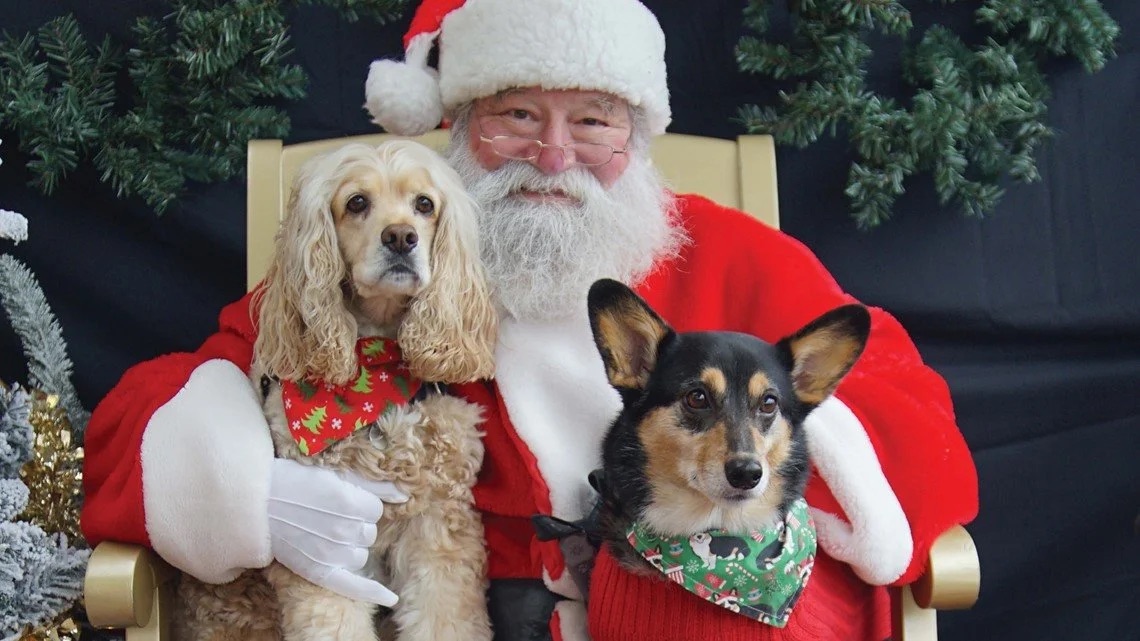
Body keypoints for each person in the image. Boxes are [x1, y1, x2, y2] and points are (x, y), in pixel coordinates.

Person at [80, 0, 979, 639]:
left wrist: (757, 488)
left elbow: (908, 409)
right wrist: (247, 490)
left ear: (636, 136)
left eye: (592, 122)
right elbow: (160, 401)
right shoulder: (400, 256)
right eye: (517, 115)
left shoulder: (730, 253)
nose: (554, 155)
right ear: (462, 123)